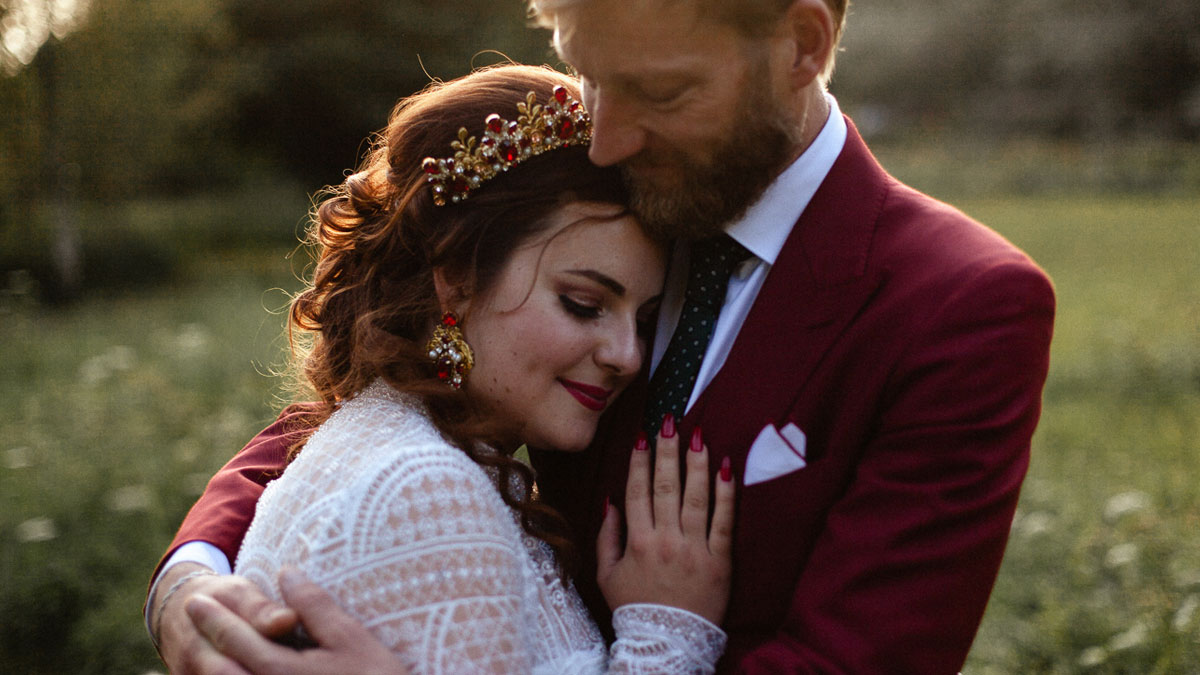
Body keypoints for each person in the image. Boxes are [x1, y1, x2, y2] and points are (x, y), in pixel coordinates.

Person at [149, 1, 1056, 672]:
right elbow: (400, 403)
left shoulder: (959, 305)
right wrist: (195, 579)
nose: (609, 134)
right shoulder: (606, 187)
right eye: (592, 80)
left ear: (803, 44)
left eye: (658, 91)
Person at [148, 63, 740, 673]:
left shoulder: (396, 437)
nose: (628, 356)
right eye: (583, 304)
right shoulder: (427, 490)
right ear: (455, 279)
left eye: (643, 321)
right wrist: (667, 633)